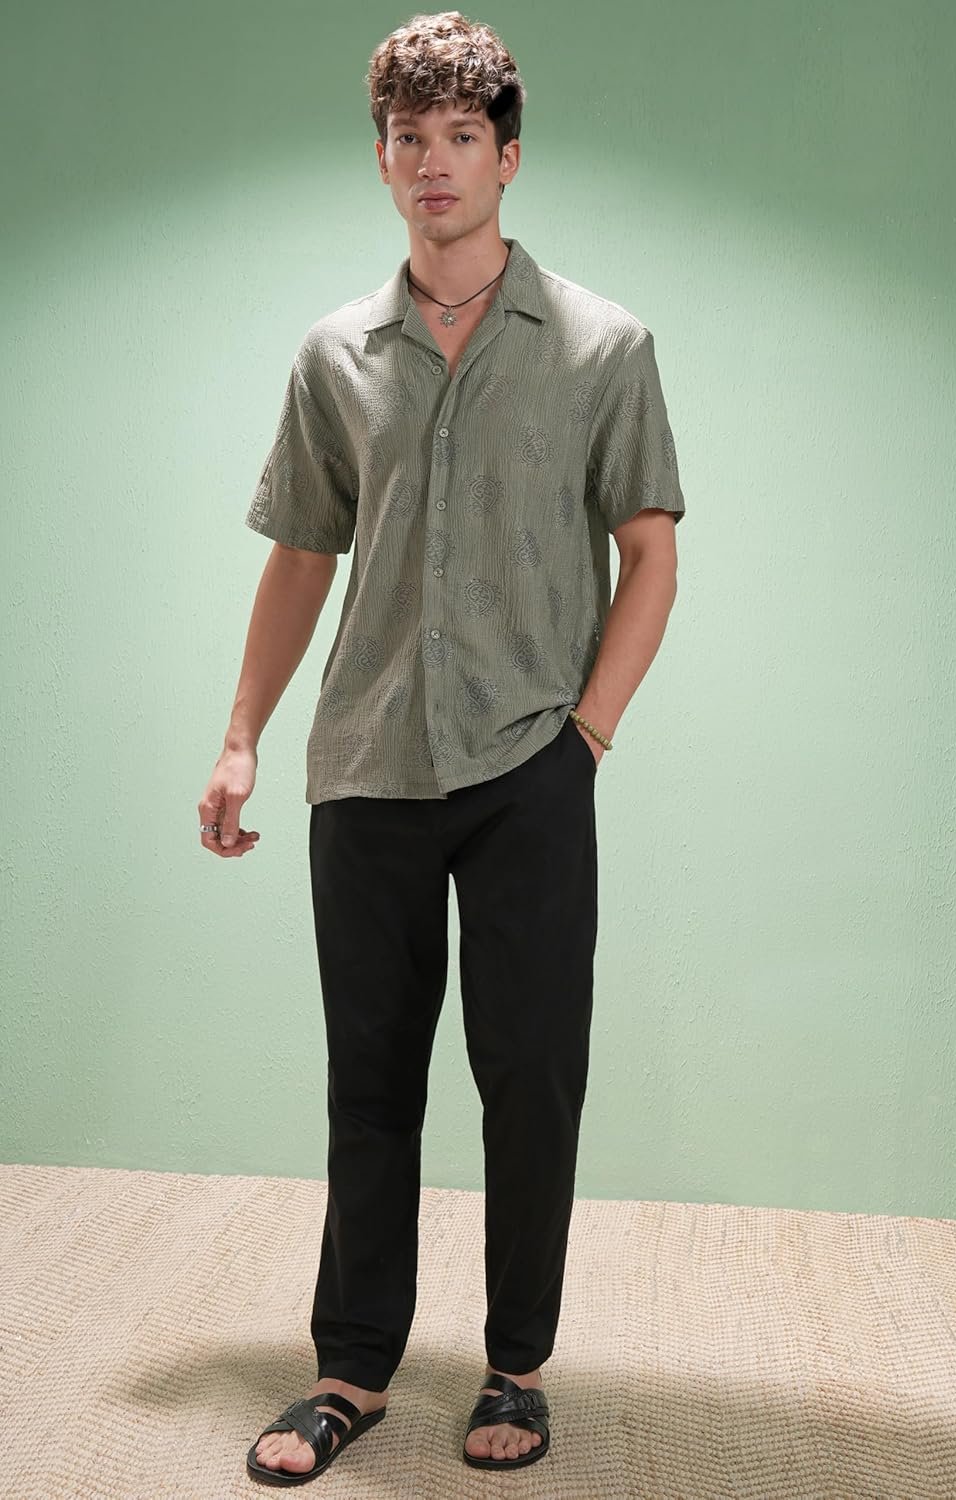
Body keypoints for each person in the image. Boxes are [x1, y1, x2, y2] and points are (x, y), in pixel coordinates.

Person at [198, 9, 685, 1485]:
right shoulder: (335, 356)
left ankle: (516, 1367)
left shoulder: (601, 346)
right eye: (409, 137)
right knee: (369, 1081)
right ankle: (349, 1367)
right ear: (382, 157)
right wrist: (240, 737)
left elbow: (650, 554)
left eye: (461, 137)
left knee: (530, 1078)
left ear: (506, 157)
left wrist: (585, 737)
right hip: (366, 769)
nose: (434, 162)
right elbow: (301, 556)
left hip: (529, 765)